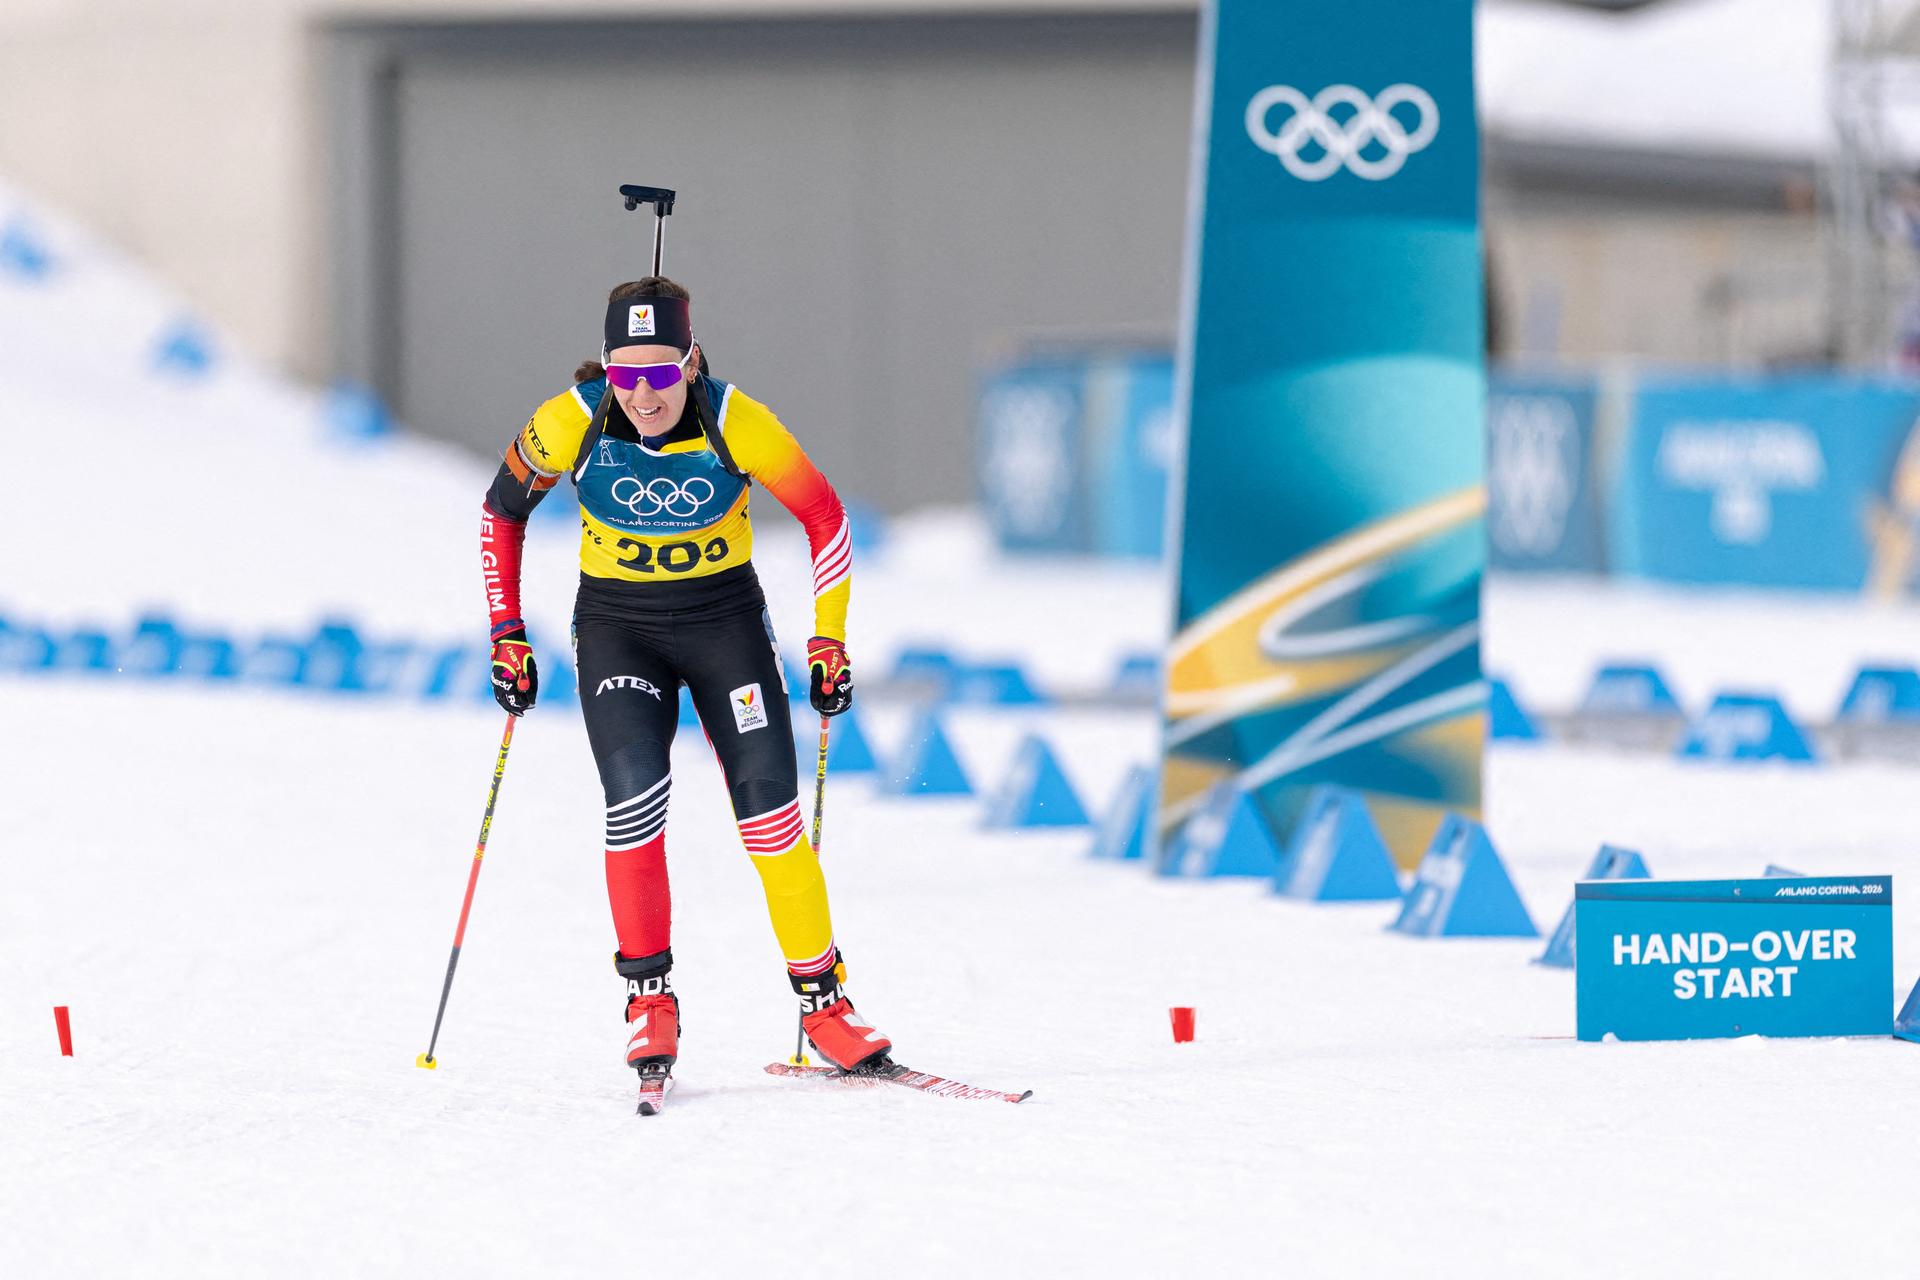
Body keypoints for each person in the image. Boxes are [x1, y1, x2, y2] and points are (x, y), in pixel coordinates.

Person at [477, 277, 890, 1086]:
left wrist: (829, 639)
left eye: (661, 373)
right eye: (626, 374)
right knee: (634, 800)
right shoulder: (570, 420)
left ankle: (825, 1006)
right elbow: (501, 513)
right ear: (606, 368)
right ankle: (649, 1001)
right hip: (618, 632)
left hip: (723, 628)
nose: (644, 395)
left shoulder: (737, 420)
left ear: (691, 363)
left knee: (770, 818)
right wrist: (506, 632)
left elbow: (825, 516)